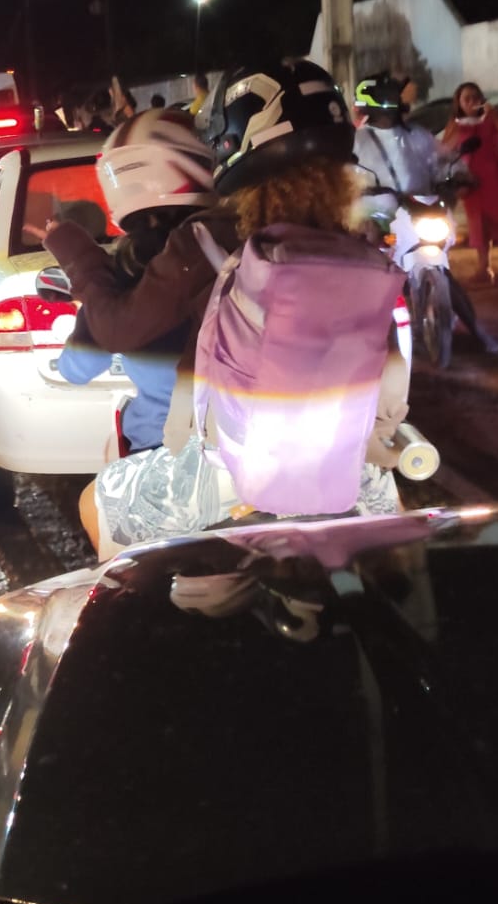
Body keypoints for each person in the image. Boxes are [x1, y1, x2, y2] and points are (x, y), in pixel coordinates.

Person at [81, 59, 407, 557]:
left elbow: (121, 329)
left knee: (93, 503)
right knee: (398, 560)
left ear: (232, 146)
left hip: (230, 476)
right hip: (343, 472)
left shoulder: (203, 240)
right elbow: (390, 370)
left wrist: (77, 255)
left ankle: (128, 617)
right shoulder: (361, 250)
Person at [47, 110, 221, 471]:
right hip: (249, 444)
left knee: (92, 513)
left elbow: (76, 369)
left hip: (161, 453)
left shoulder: (124, 276)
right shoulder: (235, 239)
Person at [353, 73, 498, 351]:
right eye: (390, 96)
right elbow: (345, 174)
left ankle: (477, 330)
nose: (395, 102)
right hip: (378, 217)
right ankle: (364, 340)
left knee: (445, 273)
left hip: (419, 209)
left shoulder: (417, 135)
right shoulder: (357, 140)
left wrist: (458, 174)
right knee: (366, 269)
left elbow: (441, 160)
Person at [441, 81, 498, 285]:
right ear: (459, 102)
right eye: (466, 98)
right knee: (478, 225)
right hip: (471, 180)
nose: (472, 102)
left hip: (494, 177)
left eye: (475, 97)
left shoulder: (490, 118)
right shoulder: (457, 124)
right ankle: (484, 268)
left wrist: (494, 114)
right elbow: (444, 150)